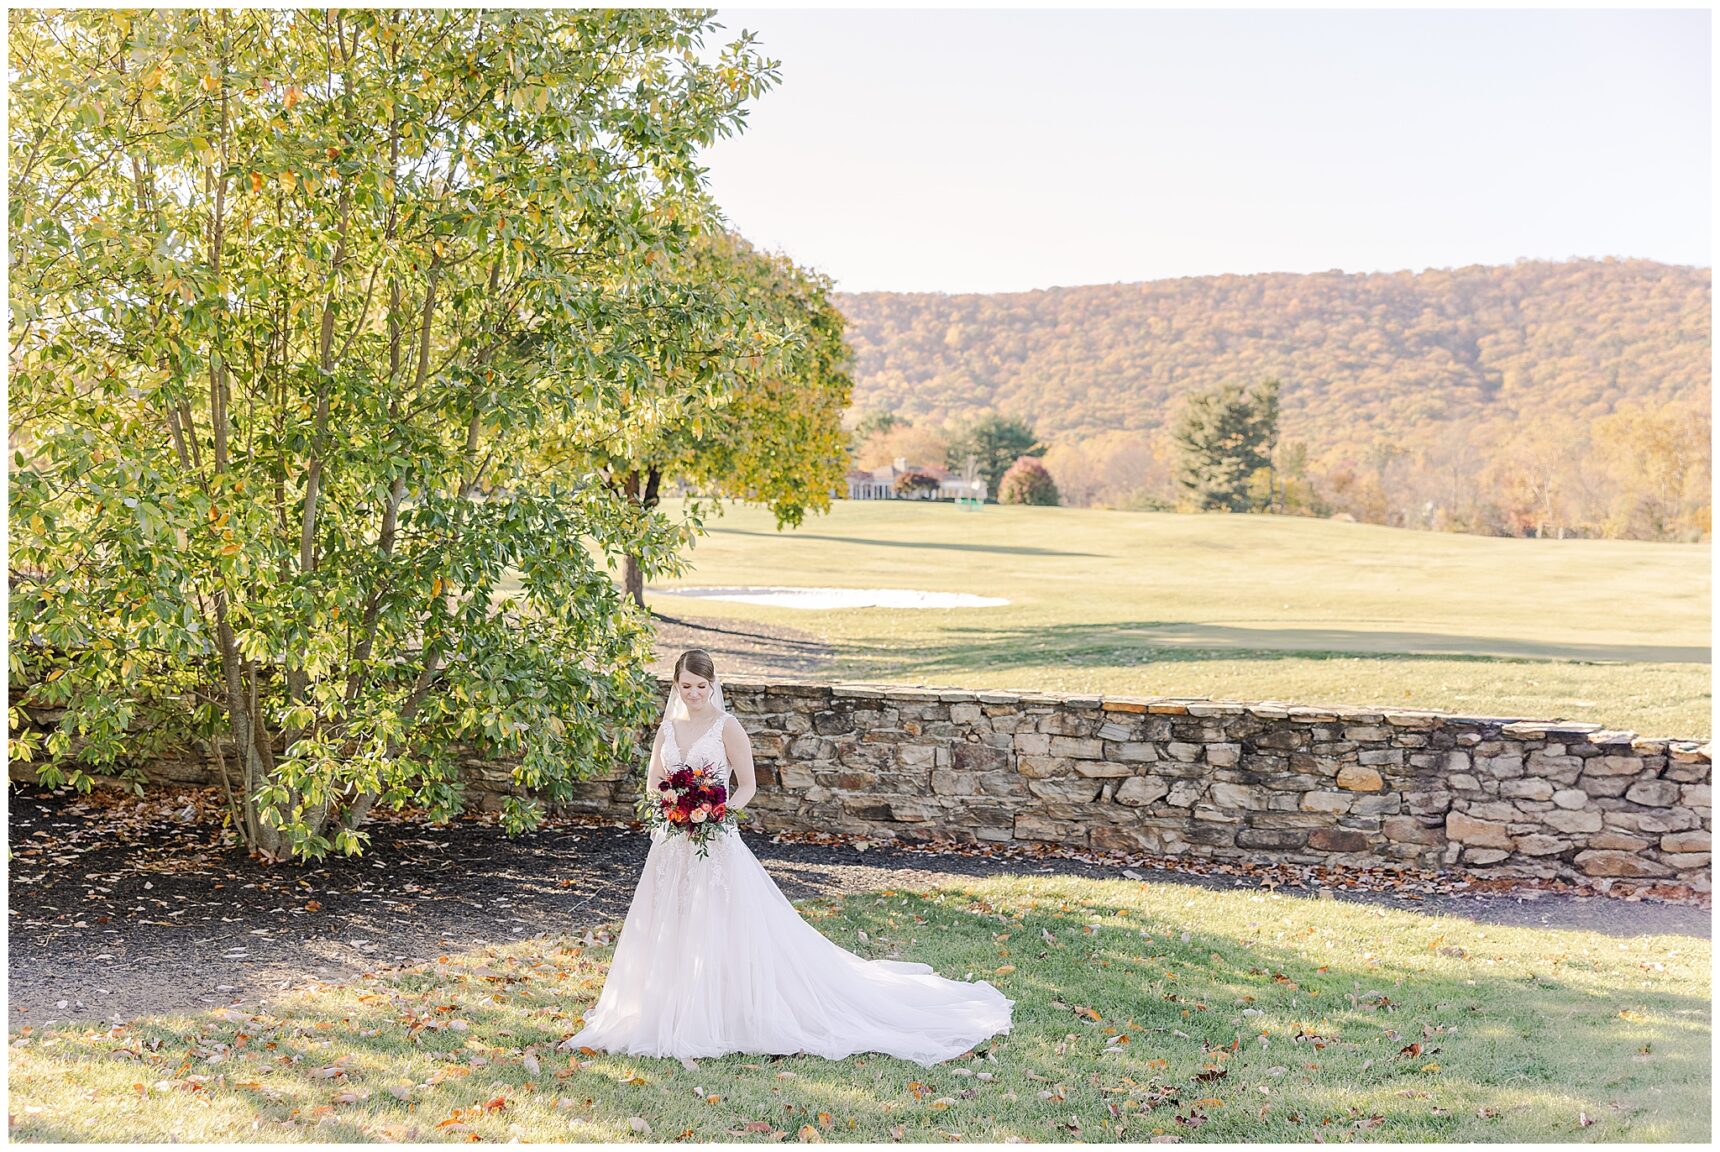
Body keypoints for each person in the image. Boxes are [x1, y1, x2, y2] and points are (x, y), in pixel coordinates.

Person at [560, 648, 1013, 1067]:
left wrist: (715, 813)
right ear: (675, 686)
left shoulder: (726, 726)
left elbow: (748, 786)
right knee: (671, 920)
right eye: (685, 686)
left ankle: (725, 1008)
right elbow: (653, 781)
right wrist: (673, 807)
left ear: (713, 684)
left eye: (701, 686)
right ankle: (666, 1004)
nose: (694, 694)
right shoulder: (668, 728)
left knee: (720, 921)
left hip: (714, 840)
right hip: (672, 842)